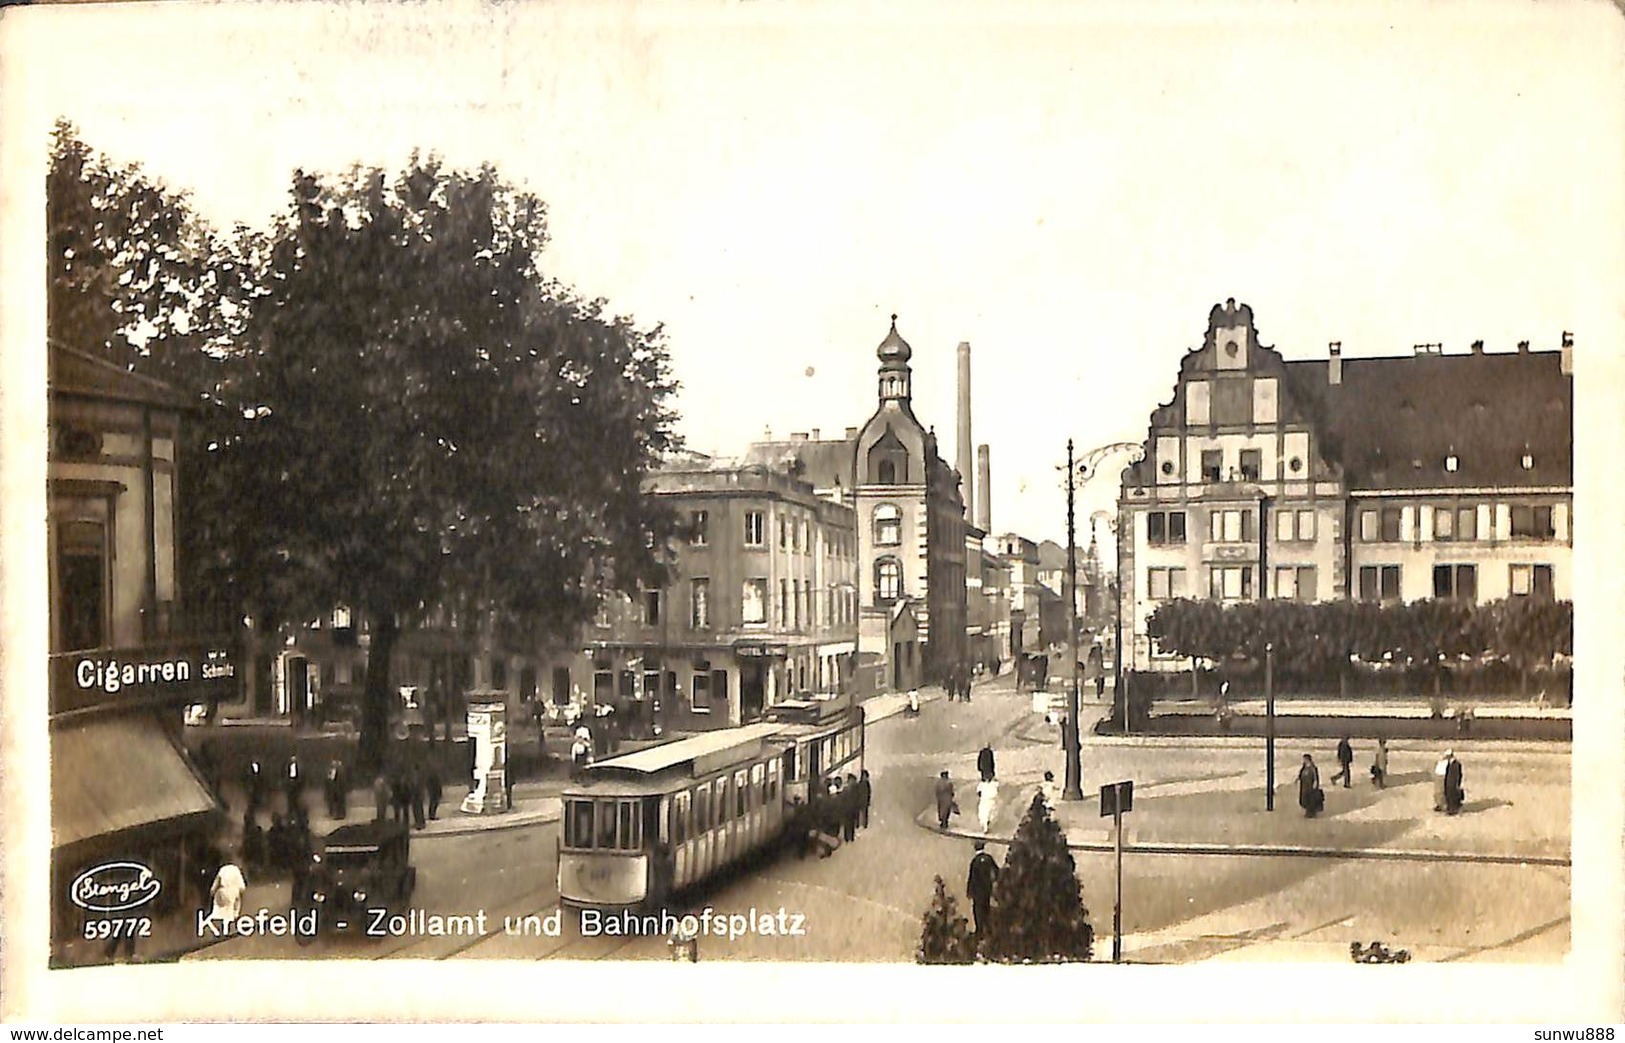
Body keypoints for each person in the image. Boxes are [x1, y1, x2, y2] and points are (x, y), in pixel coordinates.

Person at [965, 841, 999, 939]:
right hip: (987, 890)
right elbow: (996, 871)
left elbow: (972, 877)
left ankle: (979, 931)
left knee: (978, 911)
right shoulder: (989, 859)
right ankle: (988, 930)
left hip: (978, 892)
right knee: (987, 909)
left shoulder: (974, 862)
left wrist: (969, 891)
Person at [206, 853, 248, 934]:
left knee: (222, 910)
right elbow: (242, 886)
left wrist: (213, 890)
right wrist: (240, 893)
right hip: (234, 892)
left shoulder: (223, 870)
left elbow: (217, 882)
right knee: (233, 909)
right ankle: (231, 925)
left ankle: (220, 927)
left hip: (223, 892)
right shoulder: (236, 870)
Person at [1439, 750, 1465, 814]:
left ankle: (1453, 809)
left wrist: (1457, 783)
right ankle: (1450, 808)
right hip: (1449, 782)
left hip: (1453, 783)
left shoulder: (1456, 764)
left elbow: (1458, 775)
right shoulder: (1450, 763)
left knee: (1453, 796)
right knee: (1449, 795)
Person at [1297, 754, 1323, 818]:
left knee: (1311, 799)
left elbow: (1315, 777)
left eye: (1305, 759)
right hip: (1304, 786)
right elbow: (1301, 774)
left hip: (1310, 786)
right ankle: (1308, 811)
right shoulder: (1304, 767)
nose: (1304, 761)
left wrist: (1315, 783)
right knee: (1305, 799)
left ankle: (1311, 812)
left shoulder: (1313, 768)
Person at [840, 774, 859, 842]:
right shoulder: (846, 790)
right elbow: (842, 800)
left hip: (851, 810)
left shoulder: (855, 789)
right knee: (847, 825)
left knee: (851, 825)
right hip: (847, 810)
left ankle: (850, 838)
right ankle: (847, 839)